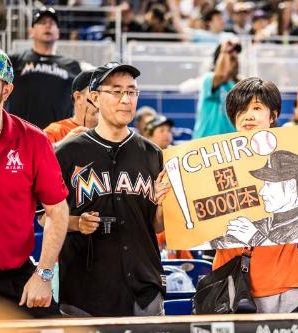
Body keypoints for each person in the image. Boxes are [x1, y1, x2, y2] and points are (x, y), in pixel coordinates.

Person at [54, 62, 169, 317]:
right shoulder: (67, 153)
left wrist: (162, 204)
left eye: (132, 92)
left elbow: (157, 225)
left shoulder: (153, 154)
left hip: (143, 287)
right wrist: (76, 223)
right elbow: (45, 217)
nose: (125, 99)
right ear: (94, 97)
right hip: (85, 289)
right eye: (116, 91)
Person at [210, 77, 298, 313]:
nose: (248, 116)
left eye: (256, 108)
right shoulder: (211, 161)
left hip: (284, 286)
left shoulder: (295, 157)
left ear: (272, 116)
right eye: (240, 110)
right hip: (229, 283)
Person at [0, 45, 69, 318]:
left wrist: (44, 274)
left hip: (16, 278)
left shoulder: (33, 141)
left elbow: (57, 211)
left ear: (6, 90)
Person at [215, 150, 298, 248]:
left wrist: (255, 238)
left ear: (291, 186)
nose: (261, 192)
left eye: (269, 184)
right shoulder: (255, 226)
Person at [7, 7, 81, 129]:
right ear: (31, 31)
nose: (47, 26)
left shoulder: (72, 65)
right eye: (42, 22)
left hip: (58, 139)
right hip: (20, 134)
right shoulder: (14, 61)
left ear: (58, 33)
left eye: (52, 23)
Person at [192, 39, 240, 139]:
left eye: (236, 58)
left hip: (229, 145)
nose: (236, 62)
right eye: (231, 59)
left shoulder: (236, 85)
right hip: (205, 144)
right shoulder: (209, 79)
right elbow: (221, 75)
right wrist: (224, 51)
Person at [43, 70, 98, 146]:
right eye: (95, 93)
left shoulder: (115, 133)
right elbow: (37, 155)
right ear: (78, 97)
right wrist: (63, 145)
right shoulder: (55, 131)